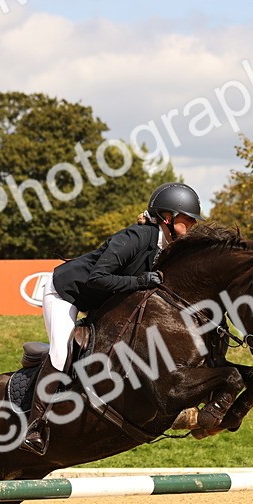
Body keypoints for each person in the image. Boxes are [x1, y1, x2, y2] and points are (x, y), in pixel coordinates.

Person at [20, 181, 203, 455]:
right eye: (187, 220)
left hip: (99, 301)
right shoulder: (134, 237)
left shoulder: (165, 248)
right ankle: (35, 426)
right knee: (61, 351)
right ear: (168, 217)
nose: (191, 226)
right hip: (66, 293)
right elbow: (98, 278)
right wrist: (140, 280)